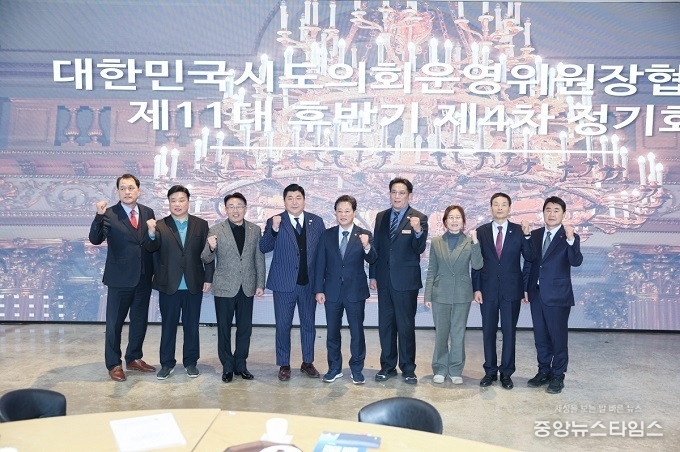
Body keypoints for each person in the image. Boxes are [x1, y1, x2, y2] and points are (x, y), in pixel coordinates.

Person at [88, 173, 157, 382]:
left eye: (131, 188)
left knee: (139, 321)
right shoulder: (109, 213)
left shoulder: (148, 212)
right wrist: (98, 217)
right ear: (118, 191)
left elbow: (149, 244)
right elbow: (95, 239)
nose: (127, 192)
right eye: (123, 188)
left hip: (143, 277)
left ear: (139, 190)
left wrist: (152, 234)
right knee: (114, 324)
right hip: (119, 279)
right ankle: (114, 364)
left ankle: (134, 357)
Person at [145, 185, 214, 380]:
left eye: (181, 200)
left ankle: (191, 362)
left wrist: (208, 278)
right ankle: (167, 364)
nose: (177, 204)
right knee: (168, 326)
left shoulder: (201, 224)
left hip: (193, 283)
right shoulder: (160, 225)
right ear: (168, 203)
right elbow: (151, 248)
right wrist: (151, 233)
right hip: (169, 285)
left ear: (188, 202)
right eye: (173, 200)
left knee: (192, 326)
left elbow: (208, 253)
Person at [259, 184, 326, 381]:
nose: (294, 202)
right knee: (283, 325)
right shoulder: (276, 220)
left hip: (308, 284)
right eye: (290, 198)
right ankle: (284, 364)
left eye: (298, 198)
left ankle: (307, 362)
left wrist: (321, 284)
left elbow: (322, 253)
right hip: (283, 284)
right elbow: (264, 247)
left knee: (308, 325)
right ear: (284, 201)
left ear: (304, 200)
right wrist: (274, 229)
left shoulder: (316, 221)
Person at [472, 192, 535, 390]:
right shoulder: (481, 231)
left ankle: (506, 373)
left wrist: (527, 235)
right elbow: (476, 262)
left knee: (509, 332)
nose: (499, 208)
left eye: (503, 204)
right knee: (488, 332)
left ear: (509, 208)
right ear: (491, 207)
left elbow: (530, 256)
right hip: (487, 290)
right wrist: (476, 288)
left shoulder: (518, 231)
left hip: (511, 290)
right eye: (496, 204)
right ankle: (490, 371)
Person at [369, 177, 428, 384]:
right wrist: (373, 275)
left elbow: (419, 249)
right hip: (384, 280)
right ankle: (387, 366)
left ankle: (408, 369)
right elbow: (376, 247)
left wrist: (418, 231)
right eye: (394, 192)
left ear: (409, 195)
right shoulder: (381, 216)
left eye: (401, 193)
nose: (397, 196)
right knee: (386, 326)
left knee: (405, 326)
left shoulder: (419, 217)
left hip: (406, 282)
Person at [201, 192, 265, 383]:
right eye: (231, 206)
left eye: (239, 206)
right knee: (224, 329)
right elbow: (206, 258)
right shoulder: (215, 230)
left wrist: (260, 284)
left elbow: (259, 258)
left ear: (245, 209)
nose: (235, 210)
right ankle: (227, 366)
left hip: (247, 286)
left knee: (245, 329)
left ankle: (241, 365)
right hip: (224, 286)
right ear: (225, 209)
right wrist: (210, 247)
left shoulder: (255, 230)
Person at [314, 195, 378, 385]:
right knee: (332, 333)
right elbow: (320, 264)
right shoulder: (327, 235)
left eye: (347, 211)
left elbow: (373, 259)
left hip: (355, 292)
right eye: (340, 211)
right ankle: (334, 368)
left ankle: (357, 369)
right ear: (335, 213)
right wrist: (319, 289)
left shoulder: (364, 234)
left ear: (354, 213)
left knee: (357, 333)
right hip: (331, 291)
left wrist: (367, 246)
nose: (343, 214)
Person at [523, 196, 583, 394]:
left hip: (558, 296)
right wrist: (525, 288)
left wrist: (571, 240)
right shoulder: (535, 235)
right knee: (540, 337)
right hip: (537, 294)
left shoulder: (569, 236)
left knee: (558, 338)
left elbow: (576, 261)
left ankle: (558, 375)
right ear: (543, 212)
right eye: (548, 210)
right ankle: (543, 371)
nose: (551, 214)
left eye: (556, 210)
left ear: (563, 214)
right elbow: (530, 262)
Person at [424, 205, 482, 385]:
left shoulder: (469, 241)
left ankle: (456, 370)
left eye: (458, 217)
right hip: (440, 293)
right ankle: (440, 368)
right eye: (451, 217)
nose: (454, 221)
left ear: (463, 221)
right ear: (445, 221)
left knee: (458, 334)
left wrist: (475, 242)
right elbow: (432, 269)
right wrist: (427, 295)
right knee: (441, 334)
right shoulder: (436, 242)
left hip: (461, 295)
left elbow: (478, 265)